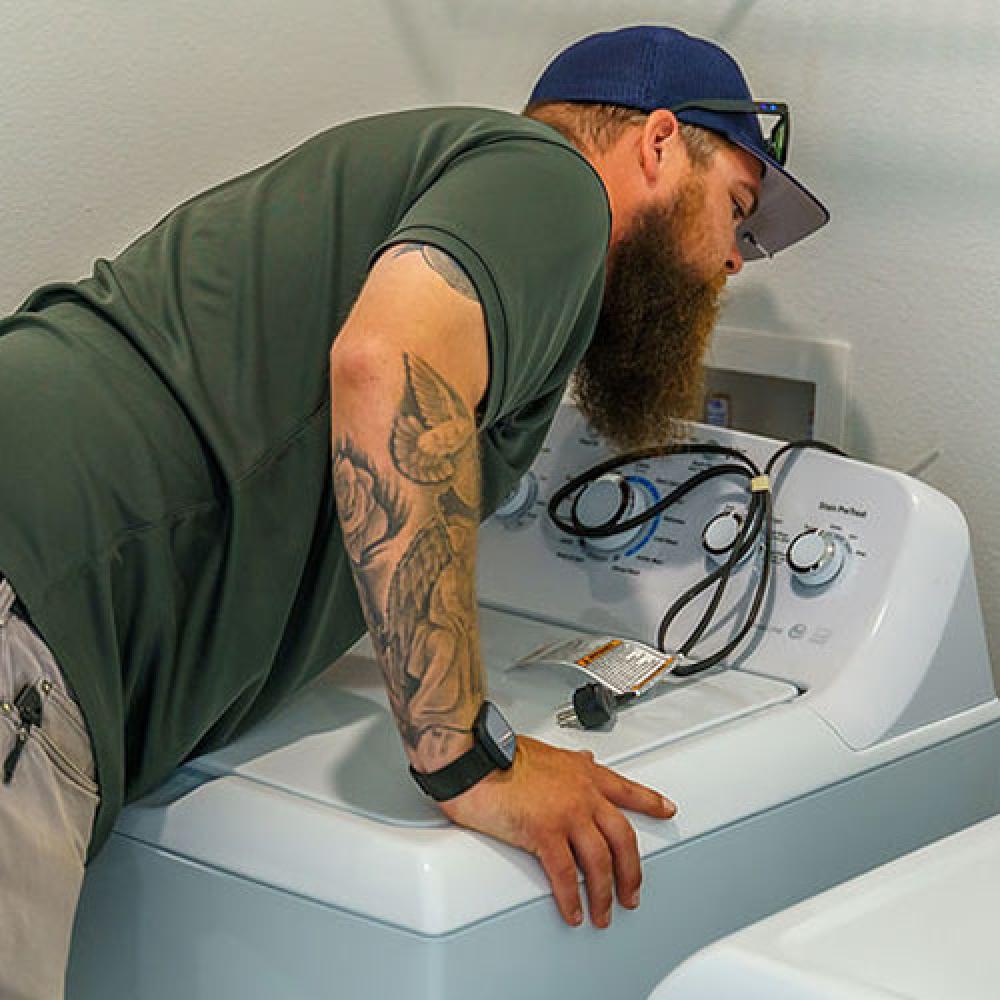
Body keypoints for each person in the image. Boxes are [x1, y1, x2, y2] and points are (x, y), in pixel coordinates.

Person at [0, 23, 827, 997]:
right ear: (654, 144)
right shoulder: (552, 184)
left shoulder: (453, 188)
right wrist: (471, 758)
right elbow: (390, 366)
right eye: (739, 209)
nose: (738, 261)